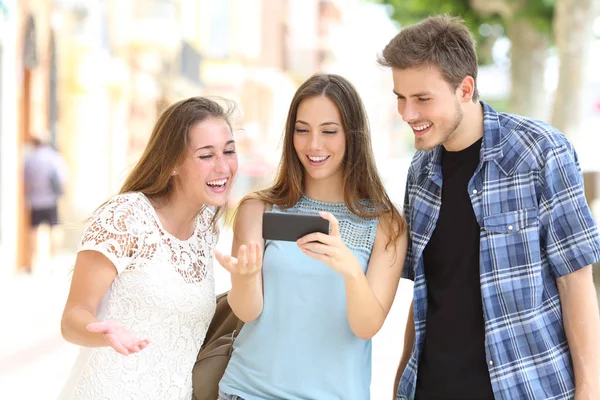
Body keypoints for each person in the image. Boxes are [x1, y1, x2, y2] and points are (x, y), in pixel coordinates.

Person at [378, 14, 600, 400]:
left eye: (422, 99)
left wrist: (590, 391)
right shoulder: (421, 170)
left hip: (525, 388)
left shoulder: (542, 153)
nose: (407, 114)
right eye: (401, 98)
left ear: (465, 89)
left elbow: (575, 281)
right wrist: (401, 384)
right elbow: (427, 294)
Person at [215, 73, 408, 400]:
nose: (314, 145)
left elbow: (366, 327)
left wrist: (349, 269)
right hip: (248, 392)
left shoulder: (386, 225)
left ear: (353, 135)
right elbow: (247, 312)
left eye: (329, 132)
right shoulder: (258, 209)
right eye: (302, 130)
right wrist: (246, 278)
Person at [58, 97, 239, 400]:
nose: (223, 166)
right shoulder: (126, 216)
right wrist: (101, 331)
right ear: (172, 164)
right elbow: (72, 317)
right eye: (206, 155)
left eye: (229, 151)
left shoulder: (207, 226)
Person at [23, 135, 67, 272]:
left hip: (35, 201)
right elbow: (63, 178)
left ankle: (32, 262)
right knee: (54, 229)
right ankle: (53, 262)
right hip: (51, 200)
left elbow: (25, 181)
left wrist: (27, 198)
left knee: (34, 231)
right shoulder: (54, 157)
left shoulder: (30, 159)